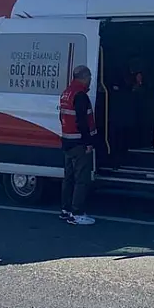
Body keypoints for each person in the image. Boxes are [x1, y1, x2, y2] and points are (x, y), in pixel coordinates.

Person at [58, 65, 97, 226]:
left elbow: (62, 117)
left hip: (67, 141)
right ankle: (77, 213)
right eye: (89, 78)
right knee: (82, 178)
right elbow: (82, 121)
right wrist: (88, 143)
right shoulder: (80, 95)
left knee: (69, 178)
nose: (90, 81)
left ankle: (66, 209)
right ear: (85, 77)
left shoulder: (66, 93)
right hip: (79, 143)